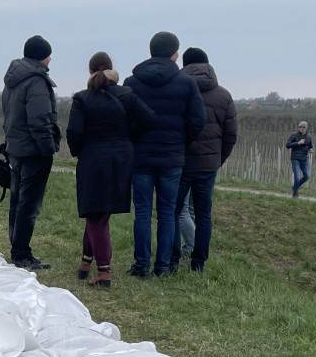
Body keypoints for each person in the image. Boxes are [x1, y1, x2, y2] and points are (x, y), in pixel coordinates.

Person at [66, 52, 155, 289]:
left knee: (95, 213)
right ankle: (86, 262)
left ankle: (104, 271)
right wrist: (127, 137)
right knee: (98, 212)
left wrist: (79, 151)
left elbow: (74, 132)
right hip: (121, 158)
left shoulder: (82, 98)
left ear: (90, 70)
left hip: (93, 158)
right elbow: (148, 119)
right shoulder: (126, 94)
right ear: (112, 70)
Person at [124, 31, 205, 277]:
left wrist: (134, 139)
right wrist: (182, 141)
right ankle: (163, 266)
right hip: (172, 156)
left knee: (143, 211)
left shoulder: (132, 82)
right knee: (168, 212)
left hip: (141, 155)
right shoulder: (186, 83)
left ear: (151, 51)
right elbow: (198, 120)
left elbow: (124, 119)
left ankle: (141, 265)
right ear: (175, 53)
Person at [172, 47, 238, 273]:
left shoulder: (178, 90)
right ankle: (198, 263)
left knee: (173, 211)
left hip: (180, 162)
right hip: (208, 166)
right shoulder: (223, 95)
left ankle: (171, 259)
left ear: (185, 66)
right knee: (203, 214)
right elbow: (231, 135)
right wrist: (218, 159)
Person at [1, 34, 60, 269]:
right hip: (34, 150)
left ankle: (16, 247)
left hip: (15, 147)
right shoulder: (36, 81)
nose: (50, 60)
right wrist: (48, 148)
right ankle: (22, 253)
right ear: (41, 56)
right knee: (29, 204)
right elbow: (39, 119)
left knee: (17, 200)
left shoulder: (13, 79)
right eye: (49, 55)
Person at [287, 121, 314, 196]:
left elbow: (310, 146)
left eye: (303, 127)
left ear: (306, 128)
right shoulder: (294, 135)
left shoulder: (309, 137)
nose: (301, 128)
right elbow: (288, 145)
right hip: (295, 159)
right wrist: (298, 143)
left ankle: (295, 187)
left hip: (304, 160)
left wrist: (311, 150)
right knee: (297, 176)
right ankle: (295, 193)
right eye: (300, 127)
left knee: (307, 176)